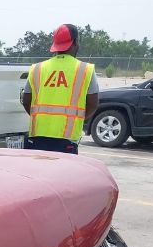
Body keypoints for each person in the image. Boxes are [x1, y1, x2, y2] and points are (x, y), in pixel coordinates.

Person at [22, 24, 99, 154]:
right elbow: (93, 104)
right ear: (75, 43)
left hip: (38, 136)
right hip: (67, 140)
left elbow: (26, 101)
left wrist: (42, 118)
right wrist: (75, 119)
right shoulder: (85, 70)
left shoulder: (37, 68)